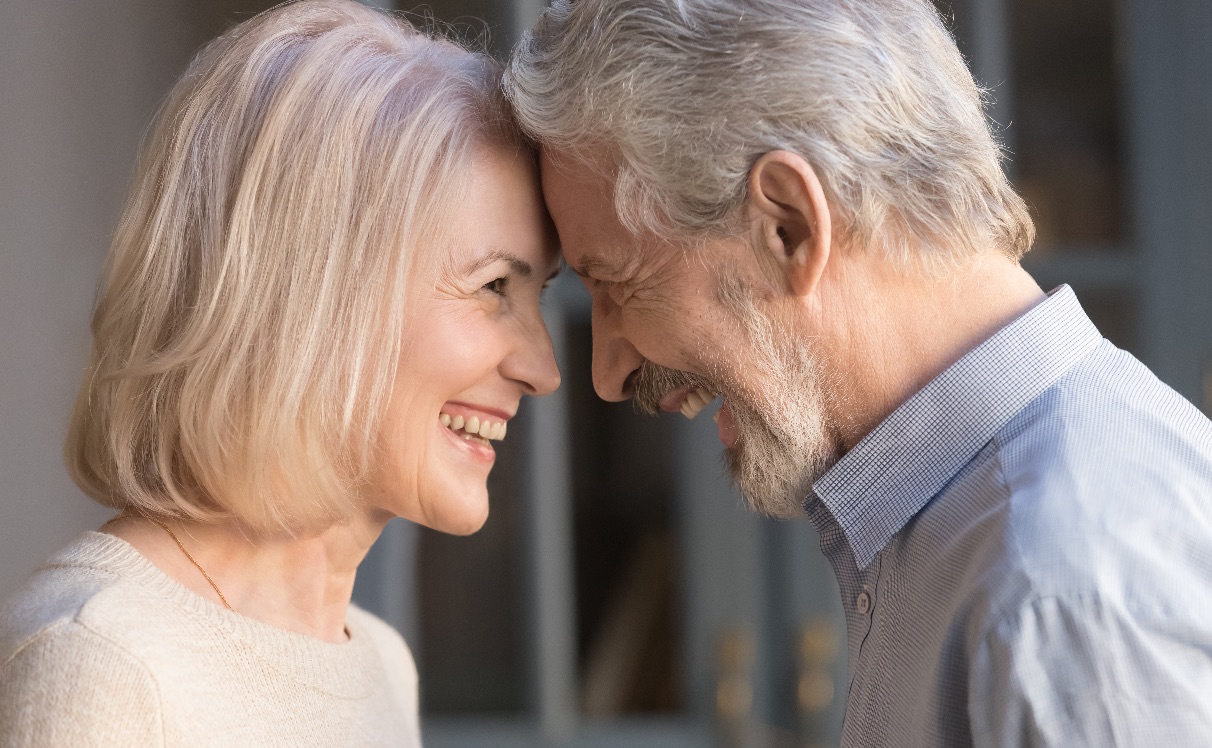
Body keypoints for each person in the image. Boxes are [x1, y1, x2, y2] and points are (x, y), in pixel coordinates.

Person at [504, 0, 1212, 745]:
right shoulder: (987, 545)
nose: (607, 373)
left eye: (617, 284)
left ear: (790, 227)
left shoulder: (1054, 600)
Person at [0, 1, 560, 744]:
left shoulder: (380, 662)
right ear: (314, 295)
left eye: (540, 295)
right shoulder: (104, 665)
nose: (544, 368)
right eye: (494, 287)